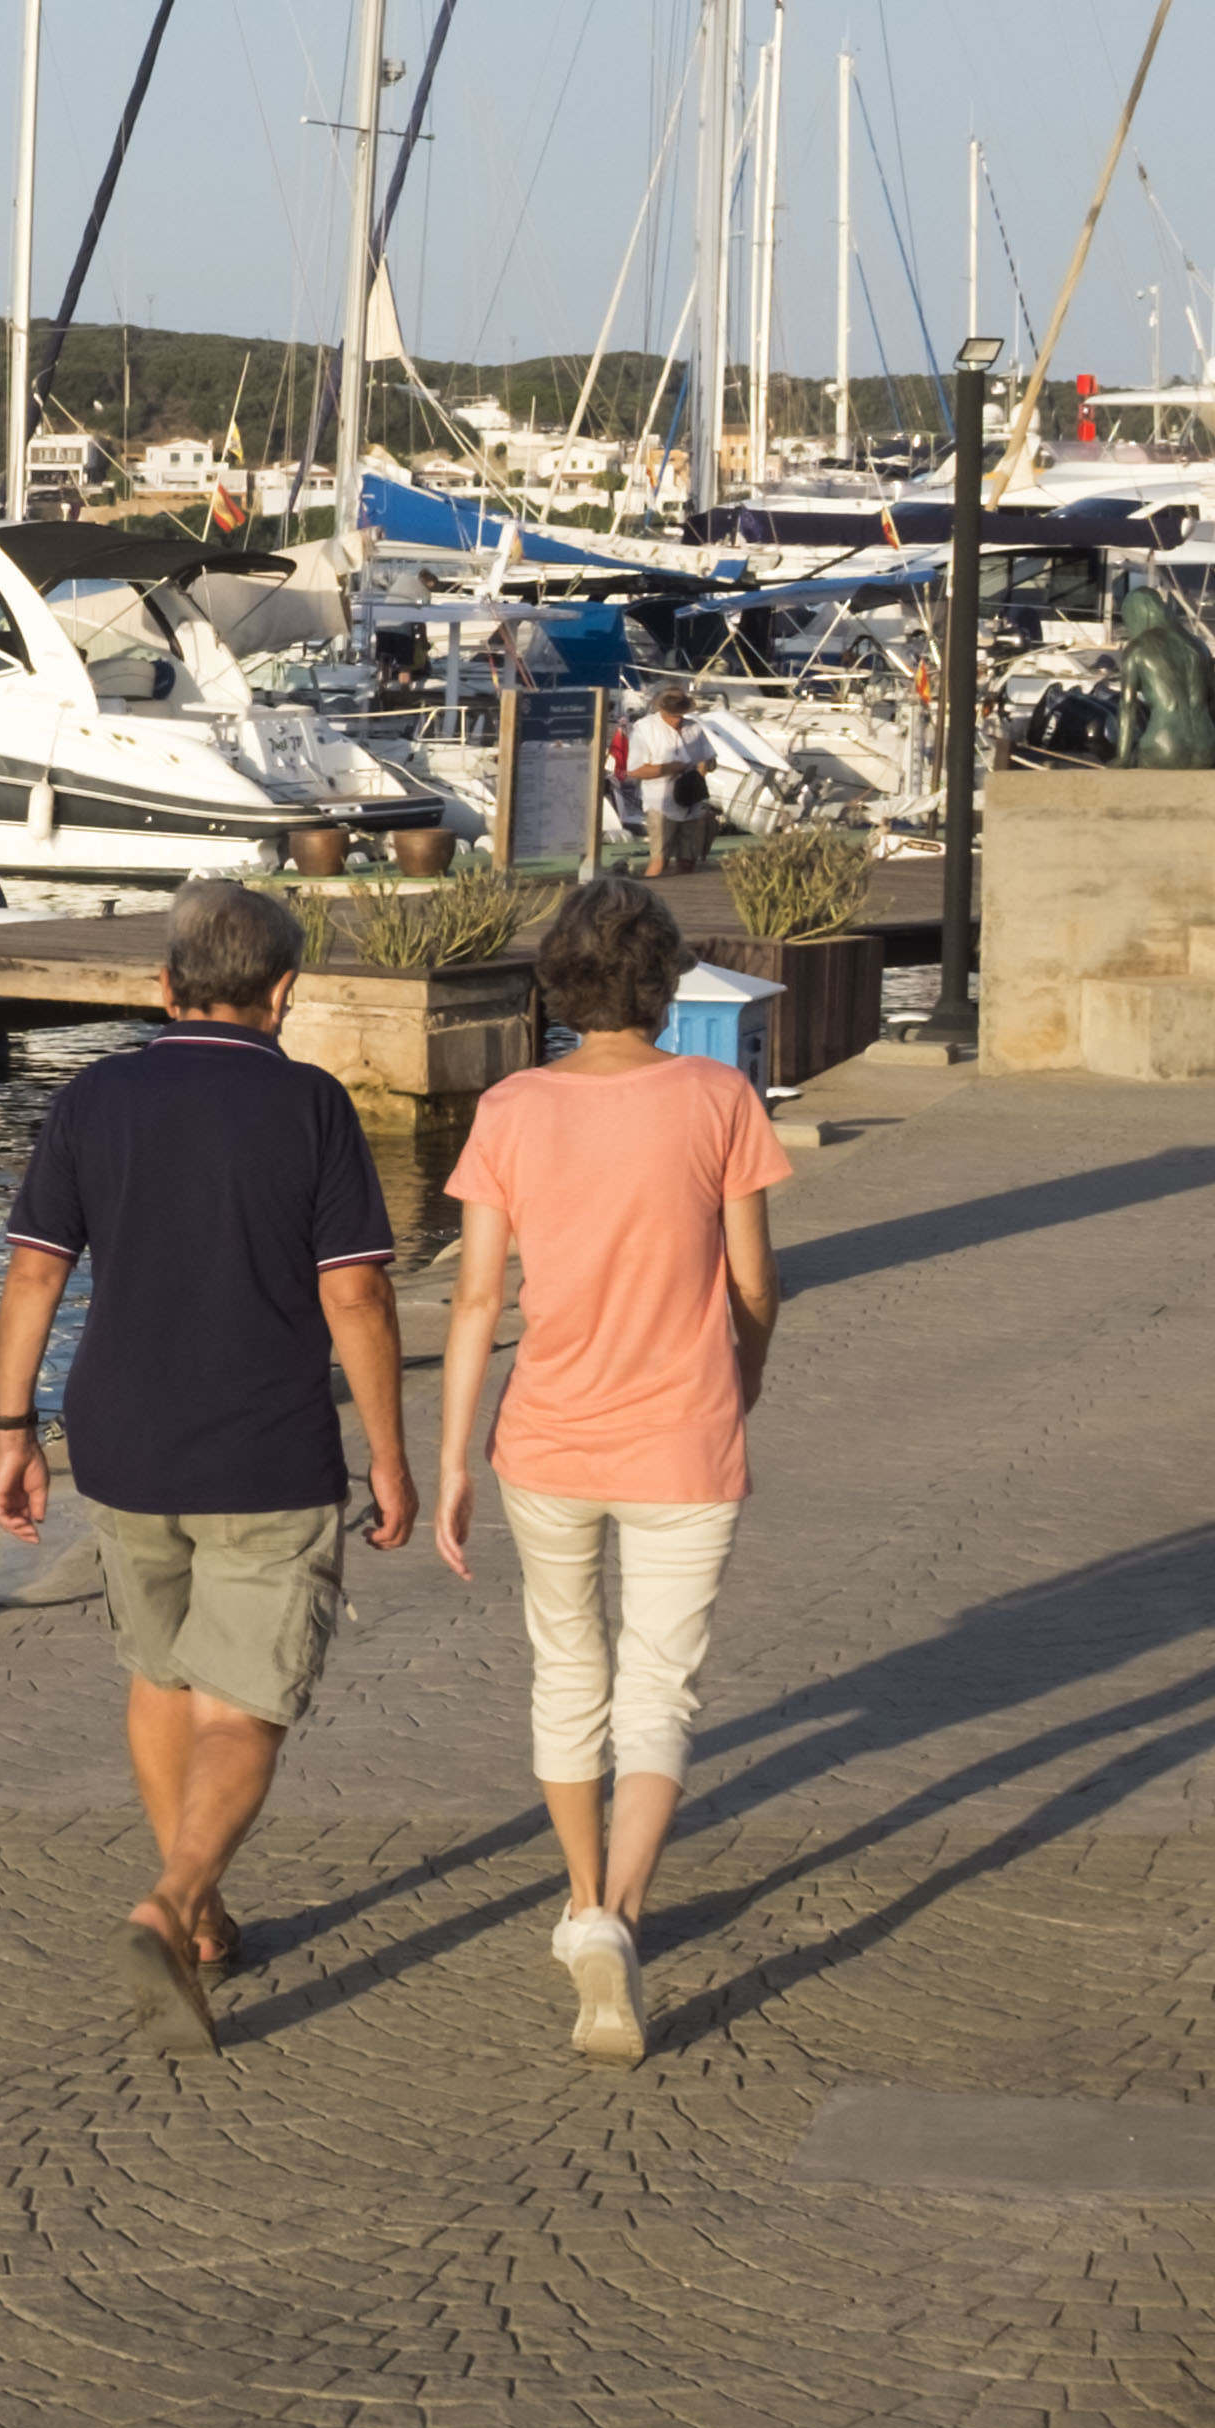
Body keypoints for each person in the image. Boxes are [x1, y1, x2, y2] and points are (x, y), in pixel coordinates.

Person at [0, 879, 413, 2056]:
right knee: (246, 1702)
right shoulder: (310, 1106)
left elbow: (33, 1275)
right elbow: (356, 1294)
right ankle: (170, 1905)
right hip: (263, 1446)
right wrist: (388, 1455)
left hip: (119, 1443)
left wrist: (12, 1431)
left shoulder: (90, 1098)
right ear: (282, 994)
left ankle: (208, 1913)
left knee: (161, 1675)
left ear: (161, 988)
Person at [427, 873, 788, 2065]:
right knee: (660, 1687)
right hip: (684, 1435)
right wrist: (743, 1371)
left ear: (558, 983)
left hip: (545, 1438)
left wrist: (452, 1461)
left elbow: (477, 1295)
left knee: (565, 1671)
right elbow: (750, 1285)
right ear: (663, 979)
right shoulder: (718, 1095)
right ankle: (614, 1921)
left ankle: (580, 1900)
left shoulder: (511, 1107)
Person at [619, 687, 715, 873]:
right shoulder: (645, 729)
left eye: (680, 714)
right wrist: (671, 768)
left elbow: (710, 759)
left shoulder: (693, 728)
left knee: (688, 860)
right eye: (673, 714)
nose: (677, 719)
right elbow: (635, 770)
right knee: (659, 860)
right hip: (661, 804)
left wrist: (707, 764)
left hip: (692, 800)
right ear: (662, 710)